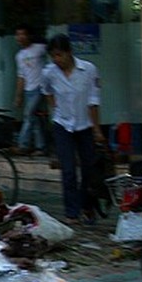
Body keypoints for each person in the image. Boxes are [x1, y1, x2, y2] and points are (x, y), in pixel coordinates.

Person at [41, 33, 105, 225]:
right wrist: (57, 110)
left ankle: (87, 206)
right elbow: (47, 92)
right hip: (62, 125)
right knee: (68, 170)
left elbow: (94, 101)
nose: (57, 59)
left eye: (60, 55)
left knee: (88, 169)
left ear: (69, 52)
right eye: (53, 55)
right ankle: (71, 211)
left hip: (84, 125)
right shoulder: (49, 72)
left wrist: (97, 129)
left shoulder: (88, 69)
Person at [13, 25, 47, 155]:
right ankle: (41, 147)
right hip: (28, 89)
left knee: (28, 115)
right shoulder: (19, 55)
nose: (20, 37)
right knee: (34, 118)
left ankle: (23, 144)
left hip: (40, 87)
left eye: (23, 34)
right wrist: (19, 95)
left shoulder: (40, 49)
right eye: (18, 34)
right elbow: (21, 76)